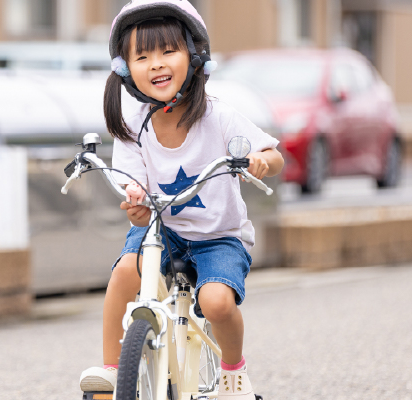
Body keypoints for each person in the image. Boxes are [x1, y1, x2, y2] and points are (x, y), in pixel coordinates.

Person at [78, 0, 284, 398]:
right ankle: (110, 368)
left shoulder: (217, 116)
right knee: (125, 272)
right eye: (142, 56)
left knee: (217, 302)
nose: (156, 64)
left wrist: (260, 161)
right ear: (124, 68)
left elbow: (274, 155)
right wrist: (136, 206)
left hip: (218, 236)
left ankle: (233, 372)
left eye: (168, 51)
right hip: (162, 231)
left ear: (194, 58)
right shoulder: (133, 127)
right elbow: (134, 196)